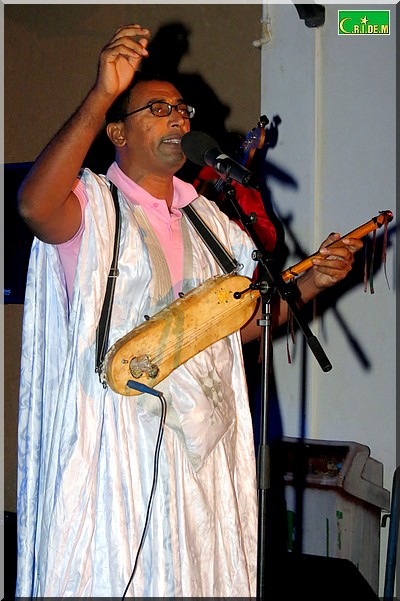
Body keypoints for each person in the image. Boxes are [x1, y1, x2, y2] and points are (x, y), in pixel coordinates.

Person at [16, 24, 363, 597]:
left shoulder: (215, 227)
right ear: (118, 132)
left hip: (202, 459)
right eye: (159, 109)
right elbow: (33, 206)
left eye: (182, 109)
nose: (179, 118)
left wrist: (313, 282)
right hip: (117, 457)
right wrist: (103, 92)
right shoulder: (95, 209)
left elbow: (242, 327)